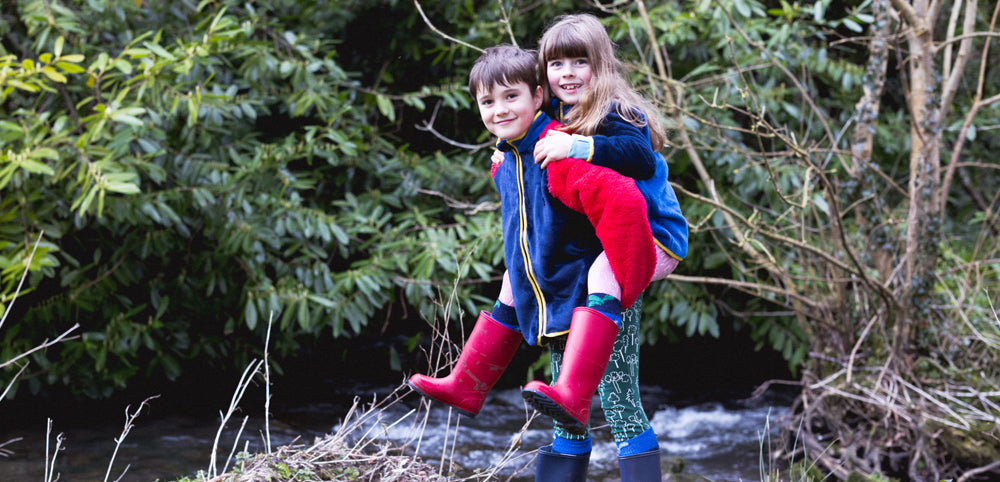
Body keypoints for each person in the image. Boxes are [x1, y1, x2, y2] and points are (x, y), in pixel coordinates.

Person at [407, 44, 665, 481]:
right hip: (560, 296)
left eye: (511, 97)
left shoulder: (556, 151)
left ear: (539, 95)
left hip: (605, 293)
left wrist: (627, 276)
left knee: (621, 408)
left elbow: (623, 203)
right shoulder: (508, 157)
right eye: (488, 102)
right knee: (566, 415)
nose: (499, 109)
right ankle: (469, 383)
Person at [517, 12, 689, 481]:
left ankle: (579, 394)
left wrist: (579, 148)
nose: (567, 73)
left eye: (579, 62)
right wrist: (504, 150)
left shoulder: (618, 111)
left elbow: (634, 157)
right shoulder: (553, 115)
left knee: (618, 400)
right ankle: (563, 394)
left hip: (649, 238)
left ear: (602, 66)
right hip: (592, 250)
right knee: (563, 413)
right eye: (556, 64)